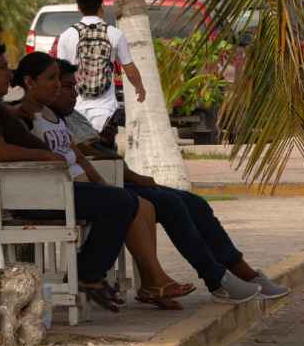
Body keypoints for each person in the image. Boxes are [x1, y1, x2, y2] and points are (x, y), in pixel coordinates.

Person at [47, 59, 287, 301]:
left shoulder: (73, 117)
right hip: (104, 185)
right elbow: (84, 158)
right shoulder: (45, 121)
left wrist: (105, 142)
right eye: (65, 87)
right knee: (172, 204)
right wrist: (131, 175)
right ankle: (216, 277)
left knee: (195, 203)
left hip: (118, 179)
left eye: (72, 87)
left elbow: (97, 150)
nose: (72, 94)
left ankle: (243, 272)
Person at [0, 39, 144, 311]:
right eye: (2, 67)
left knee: (124, 199)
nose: (8, 73)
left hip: (47, 188)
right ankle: (88, 273)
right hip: (35, 195)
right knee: (121, 202)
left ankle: (90, 273)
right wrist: (46, 156)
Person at [55, 0, 146, 134]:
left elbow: (60, 74)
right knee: (104, 151)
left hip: (75, 109)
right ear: (101, 3)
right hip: (106, 110)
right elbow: (129, 69)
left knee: (82, 152)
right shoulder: (114, 34)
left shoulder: (66, 36)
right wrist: (140, 88)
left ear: (78, 6)